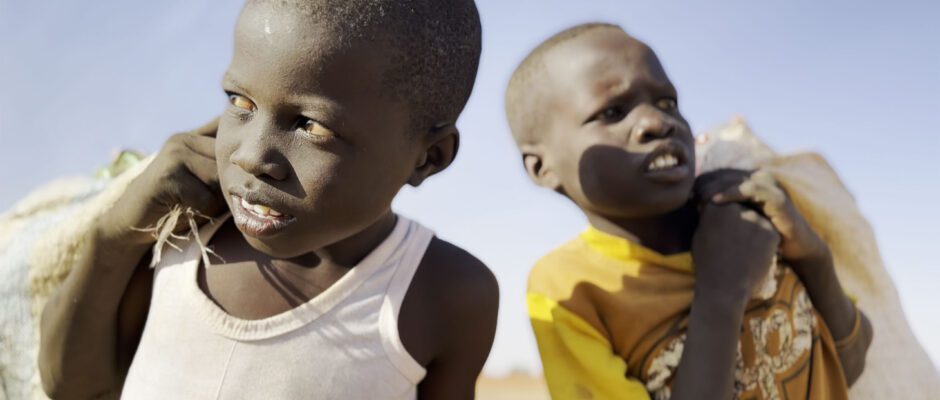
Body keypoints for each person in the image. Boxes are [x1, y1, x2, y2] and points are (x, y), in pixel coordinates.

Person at [37, 1, 499, 399]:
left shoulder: (446, 294)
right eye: (240, 102)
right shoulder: (179, 231)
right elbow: (72, 389)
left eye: (312, 127)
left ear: (428, 157)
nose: (251, 156)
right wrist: (115, 233)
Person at [505, 23, 872, 399]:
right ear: (541, 167)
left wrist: (810, 251)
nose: (656, 122)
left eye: (667, 103)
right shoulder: (570, 288)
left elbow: (851, 363)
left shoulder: (746, 216)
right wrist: (722, 289)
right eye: (613, 111)